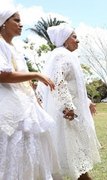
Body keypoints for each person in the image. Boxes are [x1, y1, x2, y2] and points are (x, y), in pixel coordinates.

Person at [0, 6, 59, 179]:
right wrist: (36, 74)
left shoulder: (14, 47)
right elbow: (3, 75)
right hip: (8, 103)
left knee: (32, 147)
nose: (21, 24)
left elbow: (21, 78)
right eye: (16, 20)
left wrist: (36, 100)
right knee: (12, 147)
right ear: (3, 23)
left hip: (25, 102)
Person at [36, 24, 101, 180]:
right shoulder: (61, 55)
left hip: (73, 112)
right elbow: (58, 81)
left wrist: (86, 101)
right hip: (68, 114)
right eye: (74, 36)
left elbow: (74, 85)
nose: (77, 40)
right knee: (74, 151)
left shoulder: (67, 55)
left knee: (76, 152)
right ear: (65, 40)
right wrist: (68, 107)